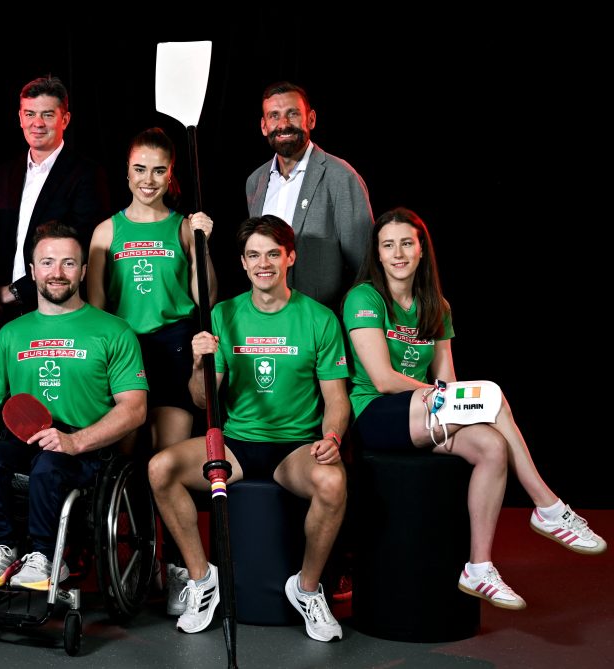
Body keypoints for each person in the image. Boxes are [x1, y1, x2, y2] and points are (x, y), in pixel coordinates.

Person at [343, 207, 607, 610]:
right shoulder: (364, 298)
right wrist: (444, 396)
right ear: (377, 254)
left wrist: (446, 396)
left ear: (421, 250)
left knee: (491, 446)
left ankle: (479, 567)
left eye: (406, 244)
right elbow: (381, 378)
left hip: (423, 412)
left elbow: (447, 378)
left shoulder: (436, 306)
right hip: (376, 414)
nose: (398, 253)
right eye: (388, 245)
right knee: (491, 396)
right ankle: (548, 505)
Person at [149, 216, 349, 642]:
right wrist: (201, 363)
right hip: (236, 444)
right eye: (254, 255)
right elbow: (204, 400)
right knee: (160, 468)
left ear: (290, 257)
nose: (264, 263)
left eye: (273, 254)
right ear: (242, 262)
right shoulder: (223, 315)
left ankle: (308, 588)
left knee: (332, 483)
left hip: (293, 449)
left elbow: (336, 399)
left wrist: (331, 438)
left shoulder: (319, 319)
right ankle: (203, 580)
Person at [0, 223, 148, 591]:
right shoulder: (11, 334)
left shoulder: (114, 331)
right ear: (32, 271)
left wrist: (75, 442)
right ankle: (1, 547)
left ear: (83, 271)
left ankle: (47, 556)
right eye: (47, 262)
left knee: (50, 466)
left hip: (81, 446)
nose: (57, 272)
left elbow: (135, 409)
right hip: (25, 438)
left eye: (69, 263)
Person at [85, 127, 215, 612]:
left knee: (168, 460)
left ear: (171, 174)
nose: (149, 179)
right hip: (123, 349)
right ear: (127, 171)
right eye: (140, 169)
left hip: (174, 346)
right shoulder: (106, 231)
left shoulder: (183, 226)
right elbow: (95, 309)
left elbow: (205, 298)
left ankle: (184, 570)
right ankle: (141, 557)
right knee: (125, 462)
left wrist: (201, 243)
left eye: (159, 170)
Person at [0, 75, 110, 322]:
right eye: (29, 114)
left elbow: (82, 246)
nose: (37, 123)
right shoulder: (2, 175)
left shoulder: (87, 174)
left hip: (56, 309)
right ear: (20, 118)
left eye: (47, 115)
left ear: (65, 119)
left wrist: (16, 292)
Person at [245, 81, 373, 311]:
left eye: (292, 114)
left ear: (311, 119)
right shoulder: (255, 182)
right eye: (274, 116)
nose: (283, 124)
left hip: (326, 322)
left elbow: (365, 266)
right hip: (271, 321)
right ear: (264, 126)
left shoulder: (341, 177)